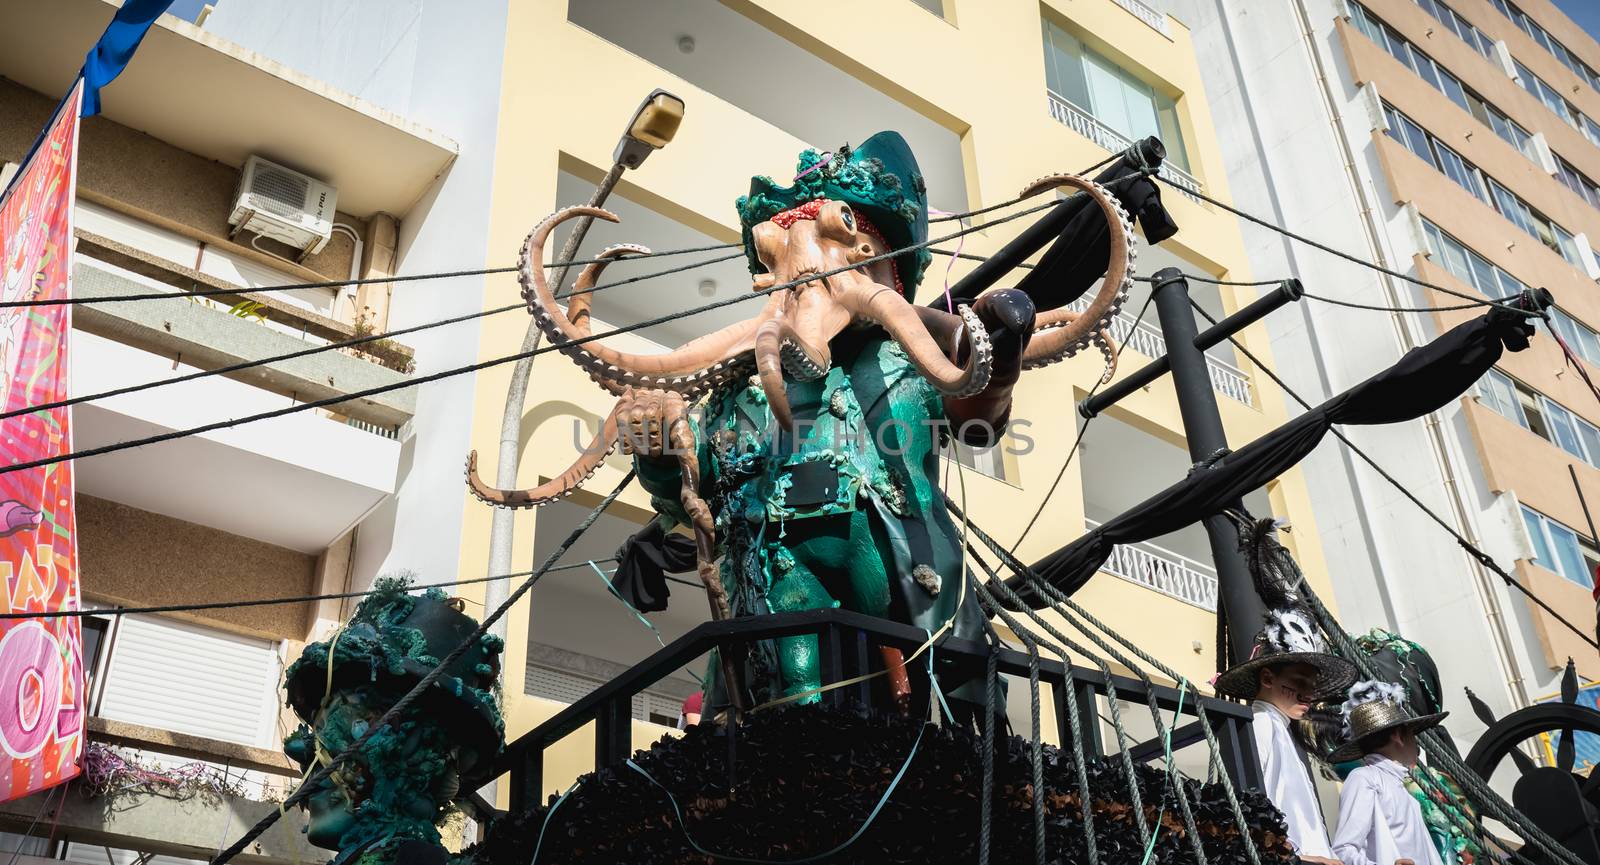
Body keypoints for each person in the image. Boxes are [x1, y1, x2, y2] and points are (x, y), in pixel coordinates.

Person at [1215, 608, 1358, 865]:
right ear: (1268, 678)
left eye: (1312, 688)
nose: (1308, 696)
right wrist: (1301, 859)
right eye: (1300, 682)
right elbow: (1246, 813)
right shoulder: (1260, 723)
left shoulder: (1279, 728)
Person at [1329, 681, 1450, 865]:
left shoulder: (1397, 785)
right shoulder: (1364, 779)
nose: (1416, 744)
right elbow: (1343, 850)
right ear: (1397, 736)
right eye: (1411, 734)